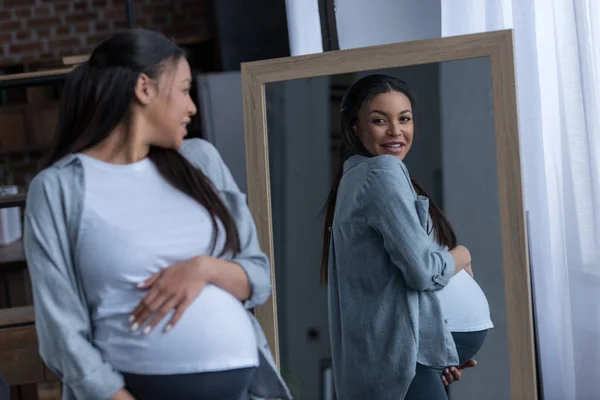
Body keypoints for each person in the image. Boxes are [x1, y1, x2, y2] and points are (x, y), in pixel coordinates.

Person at [23, 28, 291, 400]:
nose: (192, 107)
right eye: (183, 90)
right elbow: (60, 331)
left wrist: (202, 269)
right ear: (144, 88)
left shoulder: (201, 161)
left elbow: (258, 278)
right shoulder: (58, 189)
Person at [320, 74, 493, 400]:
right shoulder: (382, 172)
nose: (396, 131)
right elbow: (422, 271)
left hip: (416, 356)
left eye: (405, 118)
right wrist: (463, 255)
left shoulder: (357, 177)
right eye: (378, 120)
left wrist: (437, 346)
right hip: (404, 358)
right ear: (355, 127)